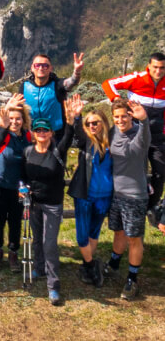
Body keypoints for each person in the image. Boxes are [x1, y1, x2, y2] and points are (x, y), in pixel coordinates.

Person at [0, 105, 74, 305]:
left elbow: (68, 135)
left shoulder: (58, 151)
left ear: (50, 133)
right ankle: (39, 268)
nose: (41, 133)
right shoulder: (28, 152)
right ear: (34, 132)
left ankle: (53, 285)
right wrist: (23, 187)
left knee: (50, 243)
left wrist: (71, 120)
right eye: (38, 130)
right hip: (33, 204)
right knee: (37, 240)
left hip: (52, 204)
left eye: (45, 130)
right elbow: (23, 176)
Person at [103, 52, 165, 214]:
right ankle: (118, 204)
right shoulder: (137, 78)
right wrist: (117, 100)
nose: (158, 71)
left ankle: (151, 208)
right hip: (135, 135)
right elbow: (108, 83)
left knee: (160, 172)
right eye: (155, 67)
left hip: (158, 138)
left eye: (162, 68)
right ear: (149, 66)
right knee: (133, 170)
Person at [104, 97, 151, 300]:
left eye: (124, 116)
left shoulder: (139, 133)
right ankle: (114, 262)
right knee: (119, 231)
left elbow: (144, 141)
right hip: (117, 193)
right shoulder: (113, 133)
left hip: (134, 195)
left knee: (134, 238)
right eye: (116, 117)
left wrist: (145, 121)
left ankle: (132, 278)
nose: (120, 120)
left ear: (131, 116)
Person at [66, 93, 112, 288]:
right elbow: (77, 132)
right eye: (89, 123)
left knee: (94, 233)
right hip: (85, 195)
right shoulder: (87, 143)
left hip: (104, 196)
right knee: (82, 236)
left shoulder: (112, 145)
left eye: (96, 123)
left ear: (103, 123)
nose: (92, 127)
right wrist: (77, 117)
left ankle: (87, 267)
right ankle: (93, 266)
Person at [0, 95, 32, 272]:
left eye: (18, 119)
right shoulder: (1, 134)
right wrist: (7, 108)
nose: (14, 122)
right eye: (12, 119)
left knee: (16, 220)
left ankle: (13, 252)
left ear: (24, 121)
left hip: (18, 187)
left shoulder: (28, 138)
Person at [22, 51, 83, 140]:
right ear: (32, 68)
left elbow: (72, 82)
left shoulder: (58, 85)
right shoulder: (24, 87)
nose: (41, 68)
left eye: (45, 65)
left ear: (51, 68)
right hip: (31, 136)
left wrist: (77, 71)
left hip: (56, 137)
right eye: (37, 65)